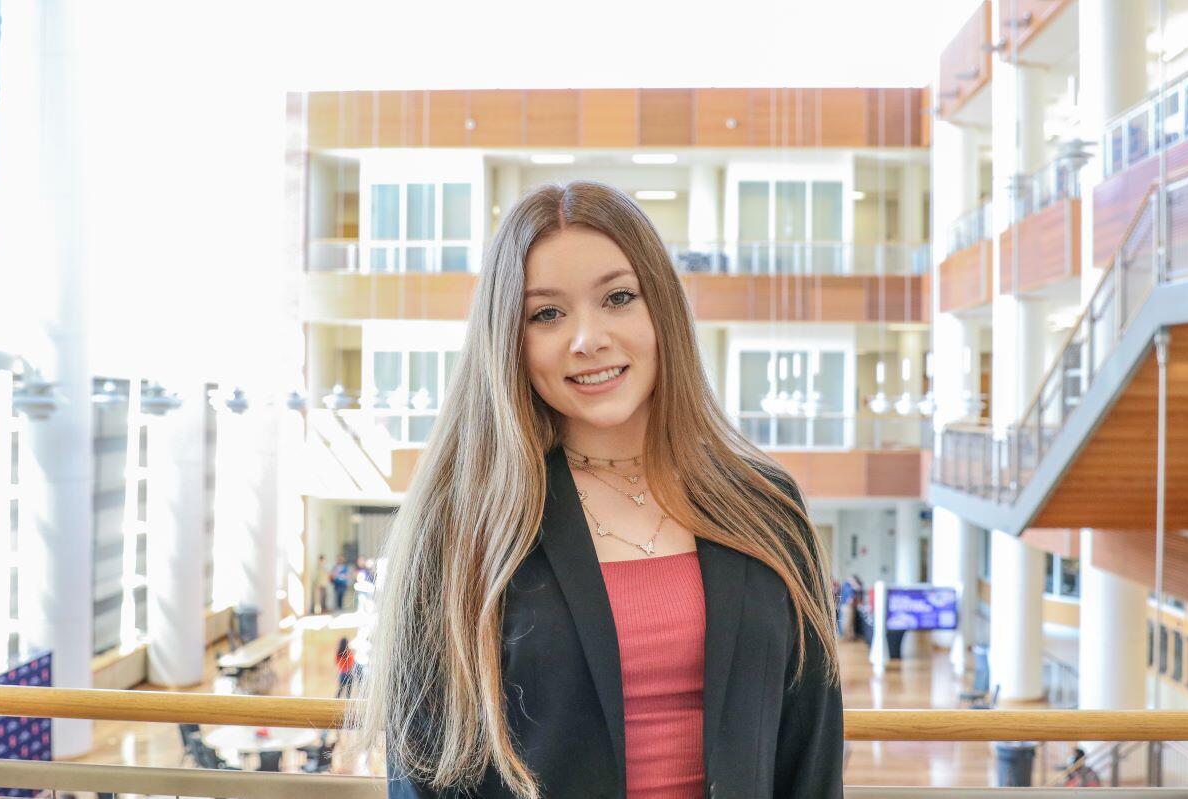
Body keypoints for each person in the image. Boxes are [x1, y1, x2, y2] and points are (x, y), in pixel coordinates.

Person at [350, 181, 843, 799]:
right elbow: (424, 778)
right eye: (547, 314)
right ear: (510, 339)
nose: (588, 338)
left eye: (618, 297)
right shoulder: (462, 524)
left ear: (661, 310)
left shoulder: (765, 505)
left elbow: (811, 754)